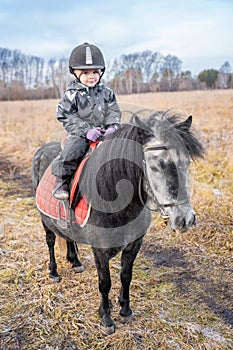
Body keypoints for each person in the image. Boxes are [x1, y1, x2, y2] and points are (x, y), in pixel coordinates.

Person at [52, 42, 122, 200]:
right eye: (85, 73)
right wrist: (85, 131)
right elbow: (64, 114)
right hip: (81, 134)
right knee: (73, 151)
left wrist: (112, 126)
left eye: (95, 72)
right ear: (76, 74)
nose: (91, 76)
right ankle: (61, 181)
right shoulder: (72, 94)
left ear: (101, 73)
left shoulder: (107, 93)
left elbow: (113, 110)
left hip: (104, 132)